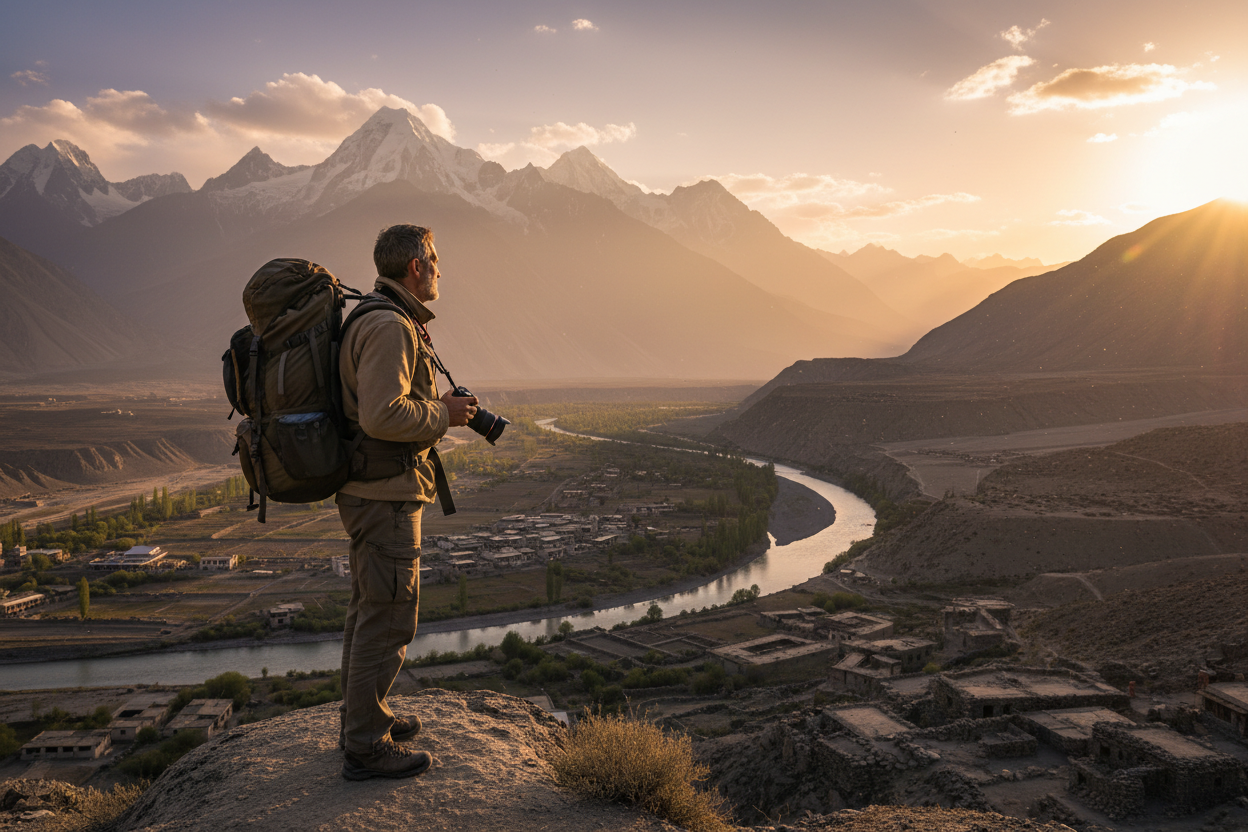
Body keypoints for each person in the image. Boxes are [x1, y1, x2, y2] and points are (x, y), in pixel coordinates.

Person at [336, 224, 477, 780]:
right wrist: (445, 414)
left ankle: (361, 719)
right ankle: (365, 746)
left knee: (368, 610)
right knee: (390, 617)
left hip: (373, 489)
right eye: (435, 259)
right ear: (415, 267)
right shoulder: (391, 325)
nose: (441, 268)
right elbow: (382, 415)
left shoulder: (373, 316)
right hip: (385, 493)